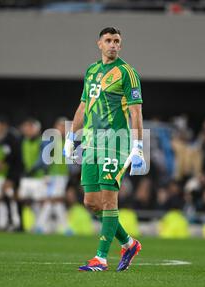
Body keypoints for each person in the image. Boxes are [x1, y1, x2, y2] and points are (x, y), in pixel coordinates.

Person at [63, 27, 147, 272]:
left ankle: (100, 259)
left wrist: (138, 147)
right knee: (91, 202)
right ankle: (129, 244)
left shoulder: (127, 73)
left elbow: (135, 112)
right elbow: (83, 105)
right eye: (108, 40)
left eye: (117, 41)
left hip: (115, 143)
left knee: (109, 201)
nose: (113, 44)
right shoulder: (91, 71)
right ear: (99, 43)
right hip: (90, 143)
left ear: (120, 45)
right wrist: (71, 136)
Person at [0, 115, 21, 231]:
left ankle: (16, 222)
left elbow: (14, 157)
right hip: (0, 174)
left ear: (3, 125)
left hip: (11, 173)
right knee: (0, 197)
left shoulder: (11, 137)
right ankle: (3, 222)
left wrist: (10, 175)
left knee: (10, 196)